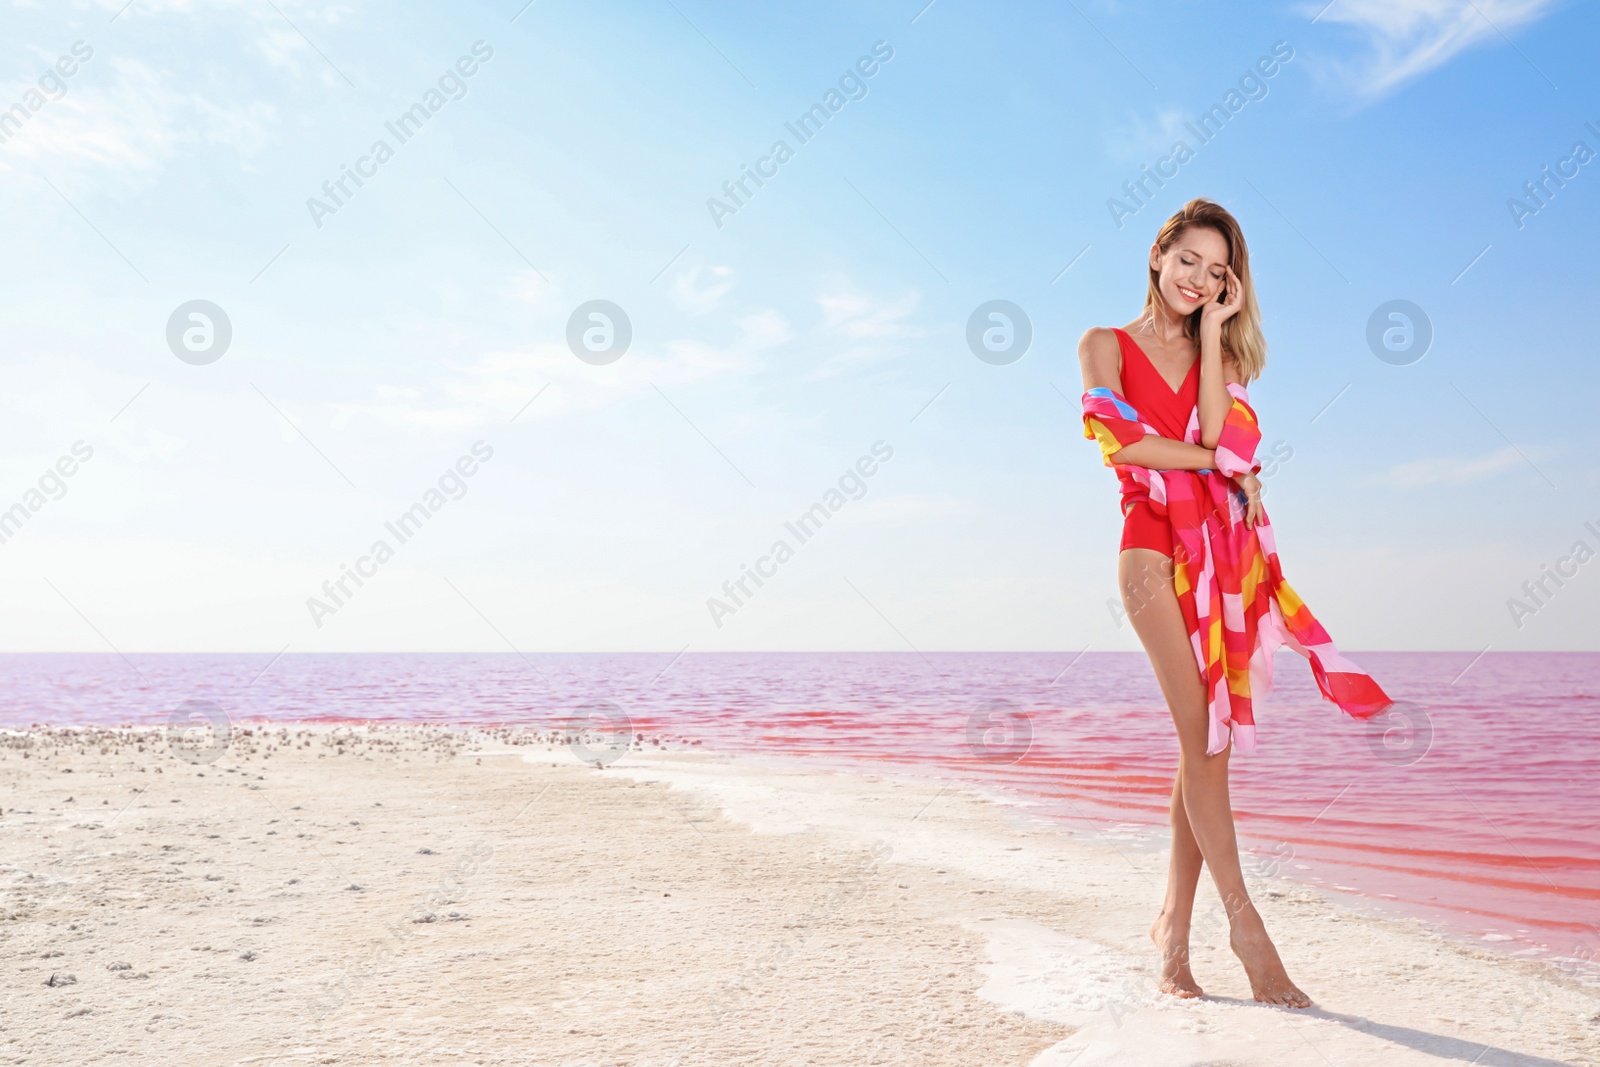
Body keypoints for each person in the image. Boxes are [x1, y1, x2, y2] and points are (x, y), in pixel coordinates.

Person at [1077, 197, 1387, 1009]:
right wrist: (1216, 463)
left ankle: (1172, 933)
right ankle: (1249, 933)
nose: (1198, 279)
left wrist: (1214, 341)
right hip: (1149, 554)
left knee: (1199, 744)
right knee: (1205, 740)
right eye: (1189, 260)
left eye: (1218, 272)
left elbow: (1227, 437)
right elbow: (1122, 440)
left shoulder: (1223, 356)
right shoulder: (1103, 343)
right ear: (1157, 252)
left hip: (1216, 560)